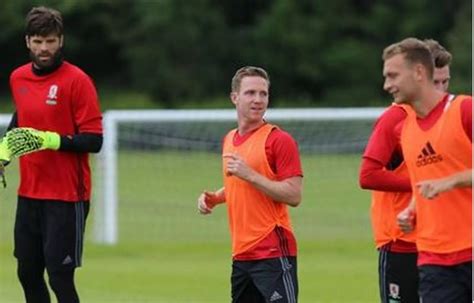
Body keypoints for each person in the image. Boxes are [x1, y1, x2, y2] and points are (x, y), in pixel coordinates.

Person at [3, 6, 103, 303]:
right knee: (27, 272)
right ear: (27, 42)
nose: (43, 48)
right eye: (37, 41)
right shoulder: (18, 78)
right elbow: (20, 119)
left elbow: (94, 140)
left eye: (50, 41)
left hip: (67, 197)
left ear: (61, 40)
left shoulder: (77, 81)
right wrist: (3, 153)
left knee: (59, 278)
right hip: (29, 194)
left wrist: (51, 140)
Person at [197, 66, 302, 303]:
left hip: (273, 251)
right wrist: (215, 197)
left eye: (263, 94)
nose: (258, 100)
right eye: (250, 93)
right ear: (235, 97)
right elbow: (239, 185)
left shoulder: (278, 140)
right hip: (241, 254)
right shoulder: (229, 139)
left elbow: (294, 194)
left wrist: (250, 175)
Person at [359, 38, 453, 303]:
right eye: (437, 82)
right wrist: (420, 182)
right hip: (401, 240)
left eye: (446, 82)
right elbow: (367, 174)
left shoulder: (454, 114)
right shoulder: (396, 119)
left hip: (444, 240)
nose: (442, 89)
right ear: (421, 75)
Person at [382, 37, 471, 303]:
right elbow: (423, 183)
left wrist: (450, 182)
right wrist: (412, 209)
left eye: (393, 75)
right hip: (434, 259)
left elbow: (444, 179)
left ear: (419, 72)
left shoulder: (464, 110)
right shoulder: (406, 131)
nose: (387, 85)